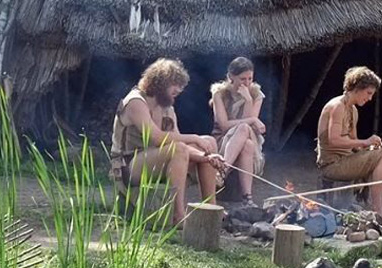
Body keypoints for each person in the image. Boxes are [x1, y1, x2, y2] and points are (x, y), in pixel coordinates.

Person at [109, 58, 227, 222]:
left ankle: (211, 210)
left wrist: (207, 156)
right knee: (180, 148)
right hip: (128, 165)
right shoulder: (135, 102)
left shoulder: (167, 108)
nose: (178, 90)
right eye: (175, 84)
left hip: (156, 159)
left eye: (180, 86)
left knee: (209, 142)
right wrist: (194, 138)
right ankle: (177, 215)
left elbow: (178, 141)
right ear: (160, 82)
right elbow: (157, 138)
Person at [316, 66, 382, 226]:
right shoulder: (337, 106)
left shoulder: (352, 110)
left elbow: (353, 144)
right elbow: (334, 140)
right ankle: (377, 209)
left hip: (347, 160)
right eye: (369, 93)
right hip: (332, 165)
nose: (370, 98)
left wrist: (369, 149)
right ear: (358, 88)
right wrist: (365, 142)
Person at [209, 56, 266, 202]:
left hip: (248, 138)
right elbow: (223, 125)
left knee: (246, 137)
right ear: (231, 77)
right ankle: (247, 196)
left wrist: (248, 100)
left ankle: (223, 172)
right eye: (242, 79)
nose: (247, 83)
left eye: (250, 79)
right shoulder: (219, 94)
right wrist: (253, 119)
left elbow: (249, 127)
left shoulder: (256, 94)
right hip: (223, 141)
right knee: (246, 140)